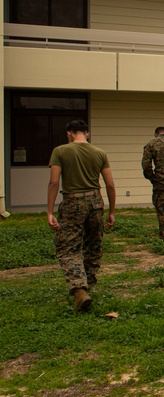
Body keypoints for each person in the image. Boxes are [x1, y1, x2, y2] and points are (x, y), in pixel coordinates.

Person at [46, 120, 116, 312]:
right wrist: (111, 212)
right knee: (94, 246)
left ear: (69, 133)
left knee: (68, 247)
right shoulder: (100, 153)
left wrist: (50, 211)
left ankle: (79, 289)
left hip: (72, 202)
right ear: (87, 133)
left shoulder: (60, 151)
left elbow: (54, 182)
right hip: (95, 201)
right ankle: (89, 286)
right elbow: (110, 184)